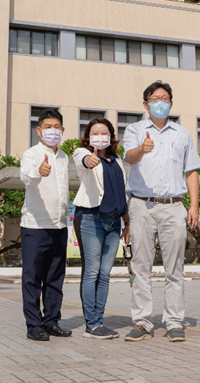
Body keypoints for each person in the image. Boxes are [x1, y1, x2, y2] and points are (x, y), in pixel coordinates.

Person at [123, 80, 200, 343]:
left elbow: (191, 171)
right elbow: (130, 158)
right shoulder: (134, 129)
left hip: (173, 206)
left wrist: (193, 205)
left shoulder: (182, 133)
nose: (160, 102)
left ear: (171, 103)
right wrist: (141, 150)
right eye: (155, 98)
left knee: (174, 268)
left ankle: (174, 322)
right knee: (141, 266)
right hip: (141, 205)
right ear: (145, 104)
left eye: (165, 98)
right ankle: (143, 321)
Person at [73, 118, 130, 339]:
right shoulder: (83, 154)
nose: (100, 136)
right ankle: (92, 324)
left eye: (104, 132)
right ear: (88, 137)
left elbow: (121, 193)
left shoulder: (116, 161)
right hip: (90, 218)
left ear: (111, 135)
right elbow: (82, 159)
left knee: (105, 274)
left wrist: (127, 223)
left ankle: (99, 321)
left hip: (114, 221)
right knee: (92, 272)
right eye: (94, 132)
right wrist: (89, 158)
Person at [19, 109, 72, 341]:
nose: (53, 131)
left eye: (57, 127)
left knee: (55, 277)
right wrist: (38, 172)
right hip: (35, 225)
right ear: (39, 131)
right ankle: (33, 325)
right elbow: (26, 176)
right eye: (48, 127)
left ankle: (51, 321)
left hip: (59, 225)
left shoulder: (64, 157)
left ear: (62, 130)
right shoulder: (31, 154)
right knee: (32, 277)